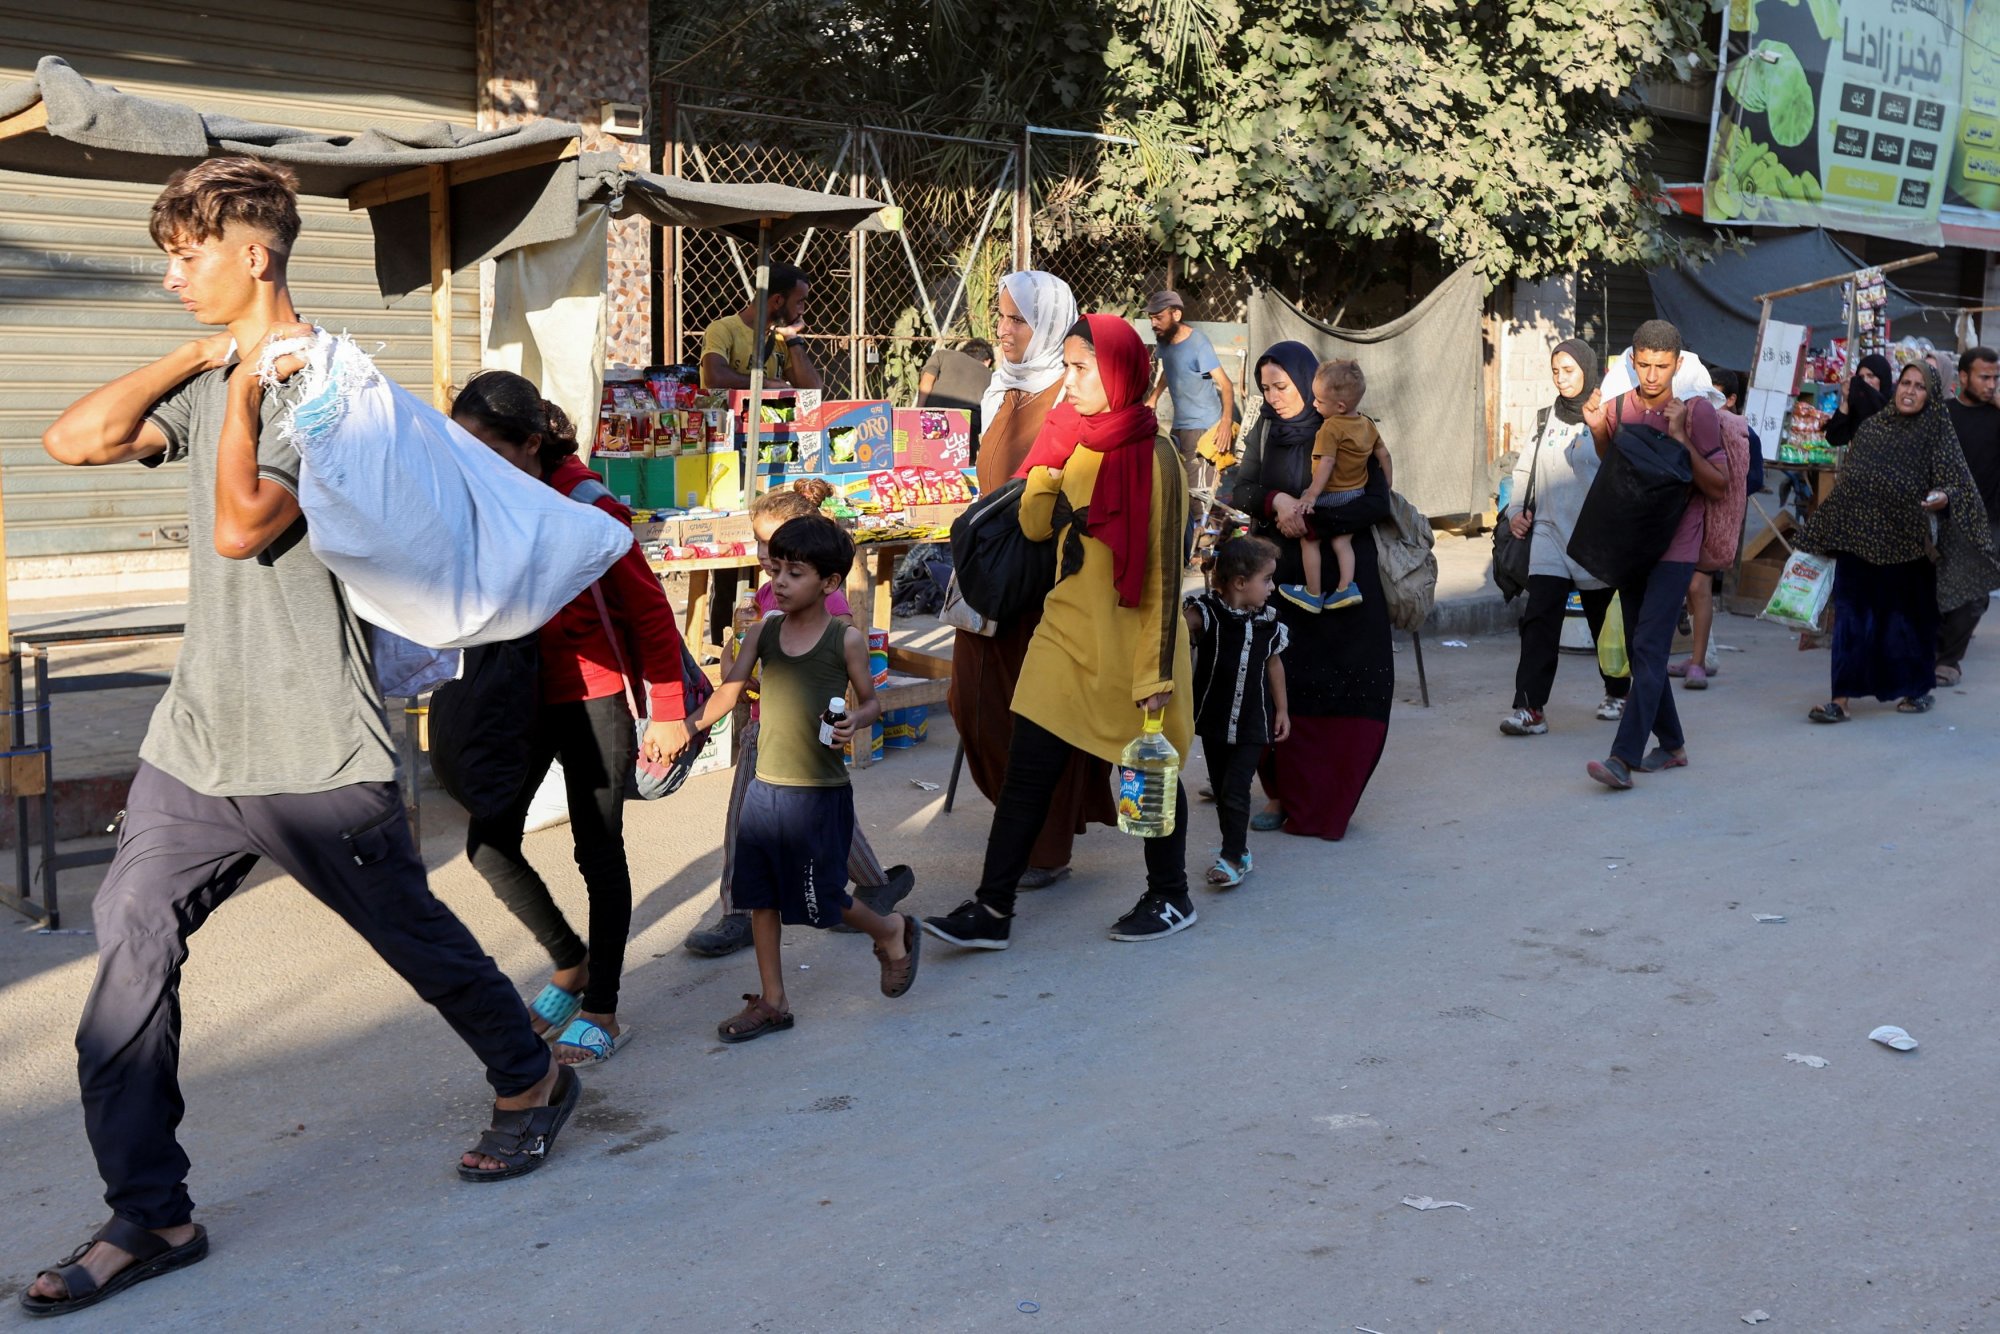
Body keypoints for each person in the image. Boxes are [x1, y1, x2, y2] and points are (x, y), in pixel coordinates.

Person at [22, 158, 573, 1317]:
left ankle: (531, 1078)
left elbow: (239, 527)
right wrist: (197, 364)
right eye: (169, 253)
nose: (172, 273)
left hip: (314, 742)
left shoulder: (325, 390)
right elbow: (72, 440)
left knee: (415, 941)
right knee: (127, 949)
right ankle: (152, 1211)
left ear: (253, 254)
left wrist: (246, 396)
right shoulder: (223, 368)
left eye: (188, 253)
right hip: (198, 738)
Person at [925, 313, 1197, 948]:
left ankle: (1170, 894)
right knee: (1028, 770)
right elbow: (1039, 526)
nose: (1068, 381)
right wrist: (1047, 459)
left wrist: (1155, 673)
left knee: (1146, 771)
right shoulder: (1077, 441)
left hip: (1131, 643)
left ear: (1121, 372)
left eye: (1081, 369)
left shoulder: (1157, 460)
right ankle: (993, 910)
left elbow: (1162, 570)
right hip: (1066, 631)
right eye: (1067, 367)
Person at [450, 371, 692, 1066]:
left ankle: (604, 1010)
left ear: (529, 444)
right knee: (488, 842)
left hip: (592, 696)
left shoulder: (587, 503)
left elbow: (648, 609)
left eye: (484, 448)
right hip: (518, 694)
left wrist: (668, 714)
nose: (471, 463)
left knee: (597, 852)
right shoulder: (492, 493)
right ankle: (569, 962)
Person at [682, 516, 919, 1041]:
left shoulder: (845, 638)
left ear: (830, 583)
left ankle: (891, 929)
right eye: (777, 569)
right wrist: (688, 728)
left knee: (821, 901)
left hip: (818, 796)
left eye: (794, 572)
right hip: (765, 790)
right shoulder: (764, 629)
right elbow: (730, 690)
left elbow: (871, 702)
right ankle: (773, 1001)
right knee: (760, 897)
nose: (780, 581)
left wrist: (854, 722)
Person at [947, 272, 1114, 892]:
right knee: (971, 702)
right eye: (1000, 316)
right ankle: (1023, 823)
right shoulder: (1002, 390)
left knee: (1034, 711)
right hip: (988, 575)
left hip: (1040, 582)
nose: (1004, 329)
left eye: (1018, 319)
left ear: (1046, 324)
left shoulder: (1070, 402)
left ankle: (1043, 845)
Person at [1230, 341, 1395, 840]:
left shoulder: (1353, 427)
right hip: (1281, 579)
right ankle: (1279, 791)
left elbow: (1378, 501)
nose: (1274, 396)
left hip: (1347, 581)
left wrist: (1318, 519)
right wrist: (1280, 501)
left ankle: (1332, 796)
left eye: (1281, 386)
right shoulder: (1265, 430)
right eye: (1265, 388)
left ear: (1306, 384)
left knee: (1350, 681)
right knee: (1278, 682)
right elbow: (1241, 488)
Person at [1797, 362, 2000, 722]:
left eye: (1920, 386)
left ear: (1932, 394)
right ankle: (1839, 701)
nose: (1909, 391)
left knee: (1907, 624)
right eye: (1905, 383)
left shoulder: (1937, 433)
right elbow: (1851, 484)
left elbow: (1960, 485)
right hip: (1858, 540)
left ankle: (1916, 689)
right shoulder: (1873, 428)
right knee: (1850, 620)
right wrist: (1821, 532)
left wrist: (1943, 497)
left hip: (1909, 546)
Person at [1580, 319, 1731, 790]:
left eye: (1661, 366)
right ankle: (1673, 745)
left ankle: (1622, 758)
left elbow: (1719, 484)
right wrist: (1596, 430)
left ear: (1678, 364)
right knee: (1643, 652)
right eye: (1643, 365)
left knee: (1648, 647)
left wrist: (1683, 439)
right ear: (1632, 358)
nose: (1650, 375)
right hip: (1632, 545)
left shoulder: (1696, 412)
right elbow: (1616, 470)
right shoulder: (1618, 407)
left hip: (1676, 547)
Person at [1498, 339, 1630, 736]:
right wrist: (1515, 511)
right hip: (1549, 533)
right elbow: (1524, 472)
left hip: (1594, 539)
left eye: (1569, 370)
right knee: (1539, 618)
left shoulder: (1608, 413)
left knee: (1601, 622)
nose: (1561, 378)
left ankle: (1618, 691)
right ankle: (1530, 707)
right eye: (1556, 370)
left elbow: (1619, 471)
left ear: (1587, 369)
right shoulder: (1545, 418)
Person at [1183, 536, 1290, 888]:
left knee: (1235, 789)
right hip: (1213, 720)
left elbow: (1274, 664)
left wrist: (1283, 711)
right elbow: (1180, 626)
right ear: (1240, 583)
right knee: (1222, 788)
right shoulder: (1209, 612)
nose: (1272, 588)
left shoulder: (1269, 622)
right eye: (1267, 580)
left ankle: (1231, 857)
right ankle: (1237, 851)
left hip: (1252, 722)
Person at [1281, 358, 1390, 613]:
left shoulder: (1330, 427)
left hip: (1332, 495)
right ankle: (1346, 587)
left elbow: (1327, 463)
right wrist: (1387, 482)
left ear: (1339, 406)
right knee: (1342, 542)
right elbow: (1384, 454)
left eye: (1319, 401)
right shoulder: (1367, 424)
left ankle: (1313, 592)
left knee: (1309, 539)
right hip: (1357, 493)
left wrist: (1311, 495)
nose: (1313, 404)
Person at [1935, 346, 2000, 686]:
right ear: (1962, 377)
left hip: (1988, 519)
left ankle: (1948, 661)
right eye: (1984, 377)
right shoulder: (1943, 415)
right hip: (1944, 515)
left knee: (1973, 593)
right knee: (1944, 588)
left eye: (1995, 378)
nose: (1991, 385)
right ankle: (1937, 649)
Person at [1145, 290, 1235, 487]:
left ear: (1176, 315)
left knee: (1196, 493)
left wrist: (1226, 422)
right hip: (1180, 426)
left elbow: (1227, 385)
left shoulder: (1198, 343)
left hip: (1203, 427)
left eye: (1159, 317)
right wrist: (1153, 398)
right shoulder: (1164, 340)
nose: (1154, 324)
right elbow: (1169, 370)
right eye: (1151, 318)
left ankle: (1209, 518)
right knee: (1172, 482)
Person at [698, 262, 823, 392]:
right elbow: (715, 379)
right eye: (799, 302)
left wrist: (792, 337)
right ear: (778, 301)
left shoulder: (782, 339)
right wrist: (765, 383)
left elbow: (813, 390)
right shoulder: (722, 329)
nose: (802, 311)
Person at [918, 337, 995, 437]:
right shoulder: (991, 376)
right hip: (966, 430)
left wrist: (918, 412)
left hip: (934, 421)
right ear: (987, 361)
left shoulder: (943, 355)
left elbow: (928, 379)